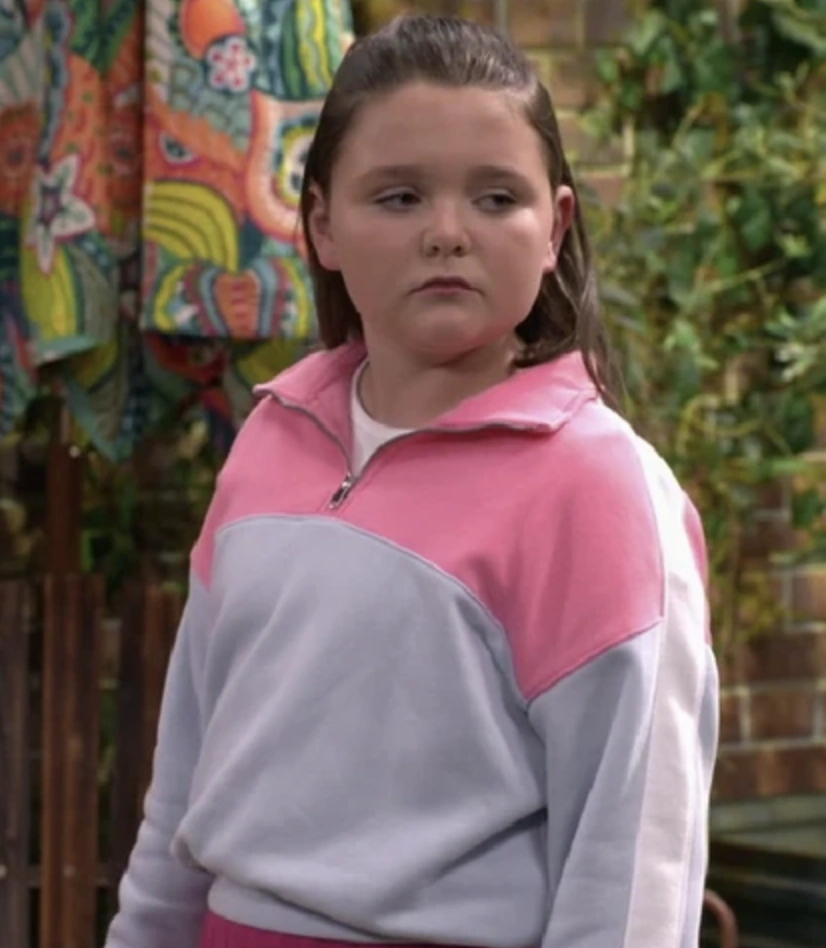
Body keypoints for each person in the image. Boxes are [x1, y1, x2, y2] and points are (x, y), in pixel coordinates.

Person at [104, 14, 719, 948]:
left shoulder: (600, 489)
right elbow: (186, 774)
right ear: (322, 225)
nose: (447, 234)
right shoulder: (271, 437)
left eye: (496, 198)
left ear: (554, 227)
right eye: (398, 197)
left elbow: (634, 866)